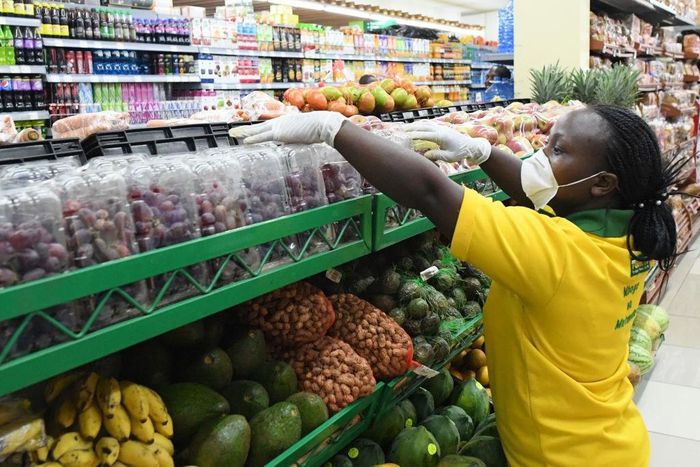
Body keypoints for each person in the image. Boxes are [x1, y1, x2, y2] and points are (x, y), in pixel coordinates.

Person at [230, 104, 684, 466]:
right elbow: (540, 193)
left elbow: (431, 192)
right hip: (609, 441)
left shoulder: (557, 253)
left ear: (602, 183)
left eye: (558, 152)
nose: (541, 158)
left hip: (562, 458)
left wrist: (334, 129)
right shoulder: (627, 234)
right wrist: (482, 152)